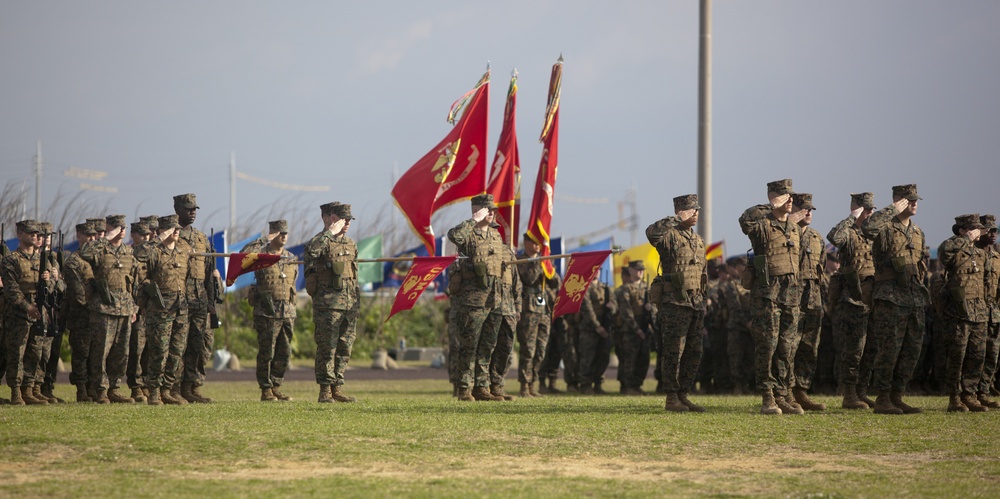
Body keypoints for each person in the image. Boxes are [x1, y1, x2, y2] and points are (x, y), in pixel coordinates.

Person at [738, 179, 805, 415]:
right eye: (785, 196)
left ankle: (782, 393)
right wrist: (769, 205)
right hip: (768, 295)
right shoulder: (762, 225)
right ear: (774, 197)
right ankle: (768, 396)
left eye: (791, 196)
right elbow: (744, 220)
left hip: (792, 295)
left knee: (787, 347)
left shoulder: (796, 229)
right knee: (768, 344)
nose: (790, 201)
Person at [861, 184, 929, 414]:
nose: (914, 203)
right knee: (889, 349)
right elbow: (867, 227)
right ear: (898, 200)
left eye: (915, 199)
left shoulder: (918, 232)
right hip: (889, 297)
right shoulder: (885, 227)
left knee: (911, 350)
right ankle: (882, 398)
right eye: (908, 199)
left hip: (914, 297)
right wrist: (890, 209)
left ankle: (897, 396)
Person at [647, 194, 708, 412]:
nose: (696, 214)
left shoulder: (698, 240)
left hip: (696, 303)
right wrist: (675, 219)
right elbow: (651, 234)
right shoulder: (670, 236)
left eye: (697, 210)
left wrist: (704, 301)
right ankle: (671, 396)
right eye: (691, 210)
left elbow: (703, 274)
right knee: (674, 351)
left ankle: (684, 394)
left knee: (694, 351)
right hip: (675, 303)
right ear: (681, 211)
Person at [446, 194, 506, 401]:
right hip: (472, 300)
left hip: (494, 298)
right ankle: (464, 387)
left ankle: (482, 387)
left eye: (493, 210)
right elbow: (453, 235)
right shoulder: (468, 234)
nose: (492, 213)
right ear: (478, 210)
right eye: (487, 209)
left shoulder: (496, 235)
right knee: (469, 344)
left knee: (488, 345)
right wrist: (473, 219)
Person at [304, 202, 361, 403]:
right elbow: (310, 251)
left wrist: (356, 303)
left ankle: (337, 386)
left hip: (349, 305)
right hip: (327, 305)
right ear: (327, 218)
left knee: (345, 348)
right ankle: (325, 390)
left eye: (348, 220)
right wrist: (329, 232)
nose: (346, 223)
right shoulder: (321, 241)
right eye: (340, 219)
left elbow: (354, 276)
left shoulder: (351, 244)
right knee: (327, 348)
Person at [79, 214, 138, 404]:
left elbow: (135, 281)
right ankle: (100, 390)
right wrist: (107, 236)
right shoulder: (99, 249)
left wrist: (134, 307)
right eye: (116, 227)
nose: (121, 231)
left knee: (121, 353)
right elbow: (84, 252)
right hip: (104, 309)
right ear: (108, 227)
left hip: (125, 309)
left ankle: (114, 388)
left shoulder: (128, 253)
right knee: (100, 352)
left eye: (123, 227)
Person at [827, 192, 878, 409]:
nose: (870, 212)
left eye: (871, 209)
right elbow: (834, 238)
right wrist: (852, 217)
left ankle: (861, 391)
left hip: (874, 296)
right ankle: (849, 394)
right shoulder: (848, 233)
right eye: (865, 209)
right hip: (853, 299)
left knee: (871, 348)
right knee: (855, 349)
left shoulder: (875, 234)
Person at [174, 193, 222, 404]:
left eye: (194, 209)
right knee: (177, 346)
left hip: (200, 301)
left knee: (196, 346)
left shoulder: (202, 239)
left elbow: (210, 274)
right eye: (188, 209)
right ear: (177, 210)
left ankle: (190, 388)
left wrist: (211, 303)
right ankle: (172, 388)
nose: (192, 212)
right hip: (180, 301)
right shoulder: (172, 238)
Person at [938, 214, 989, 412]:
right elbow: (944, 252)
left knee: (977, 355)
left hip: (979, 312)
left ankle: (970, 395)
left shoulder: (981, 254)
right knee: (957, 355)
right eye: (973, 228)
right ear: (961, 230)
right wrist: (966, 239)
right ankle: (954, 397)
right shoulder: (954, 249)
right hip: (959, 312)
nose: (978, 231)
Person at [243, 220, 298, 402]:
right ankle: (265, 389)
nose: (283, 236)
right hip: (267, 311)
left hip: (287, 312)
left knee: (284, 351)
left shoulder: (291, 257)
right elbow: (243, 255)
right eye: (279, 232)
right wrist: (264, 239)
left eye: (285, 233)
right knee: (266, 351)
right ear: (273, 233)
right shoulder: (261, 255)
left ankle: (276, 385)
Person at [143, 215, 191, 405]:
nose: (176, 231)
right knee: (159, 350)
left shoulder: (182, 252)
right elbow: (140, 254)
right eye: (172, 228)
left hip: (180, 308)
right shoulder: (154, 251)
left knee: (177, 351)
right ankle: (153, 391)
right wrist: (159, 238)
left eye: (177, 228)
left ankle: (167, 390)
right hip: (160, 309)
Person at [1, 220, 50, 405]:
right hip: (18, 313)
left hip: (39, 311)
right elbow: (11, 289)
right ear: (20, 234)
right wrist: (26, 306)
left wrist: (49, 280)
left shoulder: (42, 260)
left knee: (35, 352)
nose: (35, 236)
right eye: (30, 233)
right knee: (16, 353)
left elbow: (52, 289)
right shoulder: (11, 260)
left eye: (36, 233)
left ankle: (28, 390)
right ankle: (16, 391)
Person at [790, 193, 828, 411]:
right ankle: (785, 391)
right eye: (804, 208)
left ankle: (801, 391)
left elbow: (821, 268)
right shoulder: (786, 234)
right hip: (791, 298)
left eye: (811, 210)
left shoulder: (816, 238)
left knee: (809, 347)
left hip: (812, 299)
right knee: (788, 347)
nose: (808, 213)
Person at [516, 234, 560, 397]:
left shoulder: (544, 261)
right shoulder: (521, 261)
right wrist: (539, 262)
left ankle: (533, 384)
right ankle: (524, 386)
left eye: (539, 243)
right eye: (534, 242)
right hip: (528, 310)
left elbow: (556, 283)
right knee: (528, 349)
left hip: (543, 310)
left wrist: (548, 265)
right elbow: (530, 278)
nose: (537, 245)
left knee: (541, 351)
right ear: (526, 243)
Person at [61, 222, 98, 402]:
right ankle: (82, 389)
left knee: (94, 354)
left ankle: (93, 388)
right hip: (80, 315)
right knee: (81, 353)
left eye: (94, 235)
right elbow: (77, 294)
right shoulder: (74, 261)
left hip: (97, 315)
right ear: (79, 236)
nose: (92, 239)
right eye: (88, 235)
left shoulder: (97, 259)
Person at [487, 243, 521, 401]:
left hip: (508, 309)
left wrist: (518, 307)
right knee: (487, 348)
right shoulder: (482, 248)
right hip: (490, 307)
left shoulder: (508, 252)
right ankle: (483, 385)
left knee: (506, 348)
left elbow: (516, 282)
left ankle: (497, 385)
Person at [615, 260, 654, 395]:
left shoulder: (647, 288)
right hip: (631, 330)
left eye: (642, 270)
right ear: (630, 270)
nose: (641, 272)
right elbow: (626, 312)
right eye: (637, 270)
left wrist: (651, 309)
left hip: (645, 328)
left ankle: (637, 385)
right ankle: (628, 386)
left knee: (644, 359)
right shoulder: (625, 289)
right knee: (630, 359)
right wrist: (636, 329)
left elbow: (655, 308)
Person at [126, 220, 155, 403]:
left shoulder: (152, 255)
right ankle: (136, 386)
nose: (146, 238)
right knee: (136, 349)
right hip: (135, 308)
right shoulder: (130, 254)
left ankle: (145, 383)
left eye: (148, 235)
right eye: (142, 235)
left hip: (150, 308)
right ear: (133, 235)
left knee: (149, 350)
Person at [576, 274, 614, 395]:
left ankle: (598, 383)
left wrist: (612, 307)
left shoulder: (606, 288)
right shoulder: (585, 287)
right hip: (589, 328)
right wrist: (597, 326)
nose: (597, 272)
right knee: (588, 357)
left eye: (598, 269)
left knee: (603, 355)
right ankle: (585, 384)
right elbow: (587, 308)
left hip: (605, 326)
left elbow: (615, 304)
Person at [721, 256, 754, 394]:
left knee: (749, 357)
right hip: (737, 326)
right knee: (736, 356)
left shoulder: (753, 284)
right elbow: (734, 307)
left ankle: (746, 385)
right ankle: (738, 385)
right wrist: (746, 322)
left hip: (751, 326)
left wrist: (753, 321)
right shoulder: (733, 285)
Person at [976, 214, 1000, 407]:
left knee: (992, 354)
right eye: (988, 230)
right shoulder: (973, 253)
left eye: (995, 230)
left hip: (994, 311)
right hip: (975, 310)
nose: (992, 234)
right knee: (974, 354)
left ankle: (983, 392)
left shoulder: (997, 257)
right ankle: (968, 393)